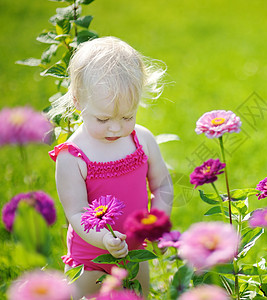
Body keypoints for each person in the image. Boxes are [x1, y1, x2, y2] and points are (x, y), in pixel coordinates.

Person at [48, 36, 173, 299]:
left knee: (140, 294)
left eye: (127, 116)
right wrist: (104, 240)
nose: (116, 127)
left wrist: (158, 223)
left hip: (137, 250)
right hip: (93, 256)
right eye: (103, 118)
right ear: (77, 102)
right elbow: (76, 210)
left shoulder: (142, 140)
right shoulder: (72, 156)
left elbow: (162, 185)